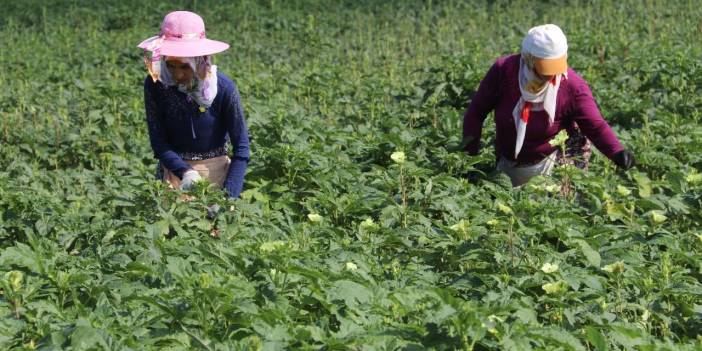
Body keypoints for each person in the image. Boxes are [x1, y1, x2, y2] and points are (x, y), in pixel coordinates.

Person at [462, 24, 635, 187]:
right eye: (545, 68)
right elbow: (475, 114)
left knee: (558, 210)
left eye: (556, 67)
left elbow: (595, 125)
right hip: (510, 158)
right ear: (528, 59)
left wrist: (617, 152)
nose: (552, 75)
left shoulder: (572, 86)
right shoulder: (504, 72)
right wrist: (468, 161)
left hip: (555, 159)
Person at [138, 11, 250, 198]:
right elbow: (159, 142)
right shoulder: (155, 85)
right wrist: (185, 172)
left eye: (184, 66)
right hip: (174, 173)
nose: (177, 74)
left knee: (215, 226)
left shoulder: (223, 88)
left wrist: (228, 196)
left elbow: (242, 148)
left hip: (217, 174)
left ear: (200, 59)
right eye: (170, 65)